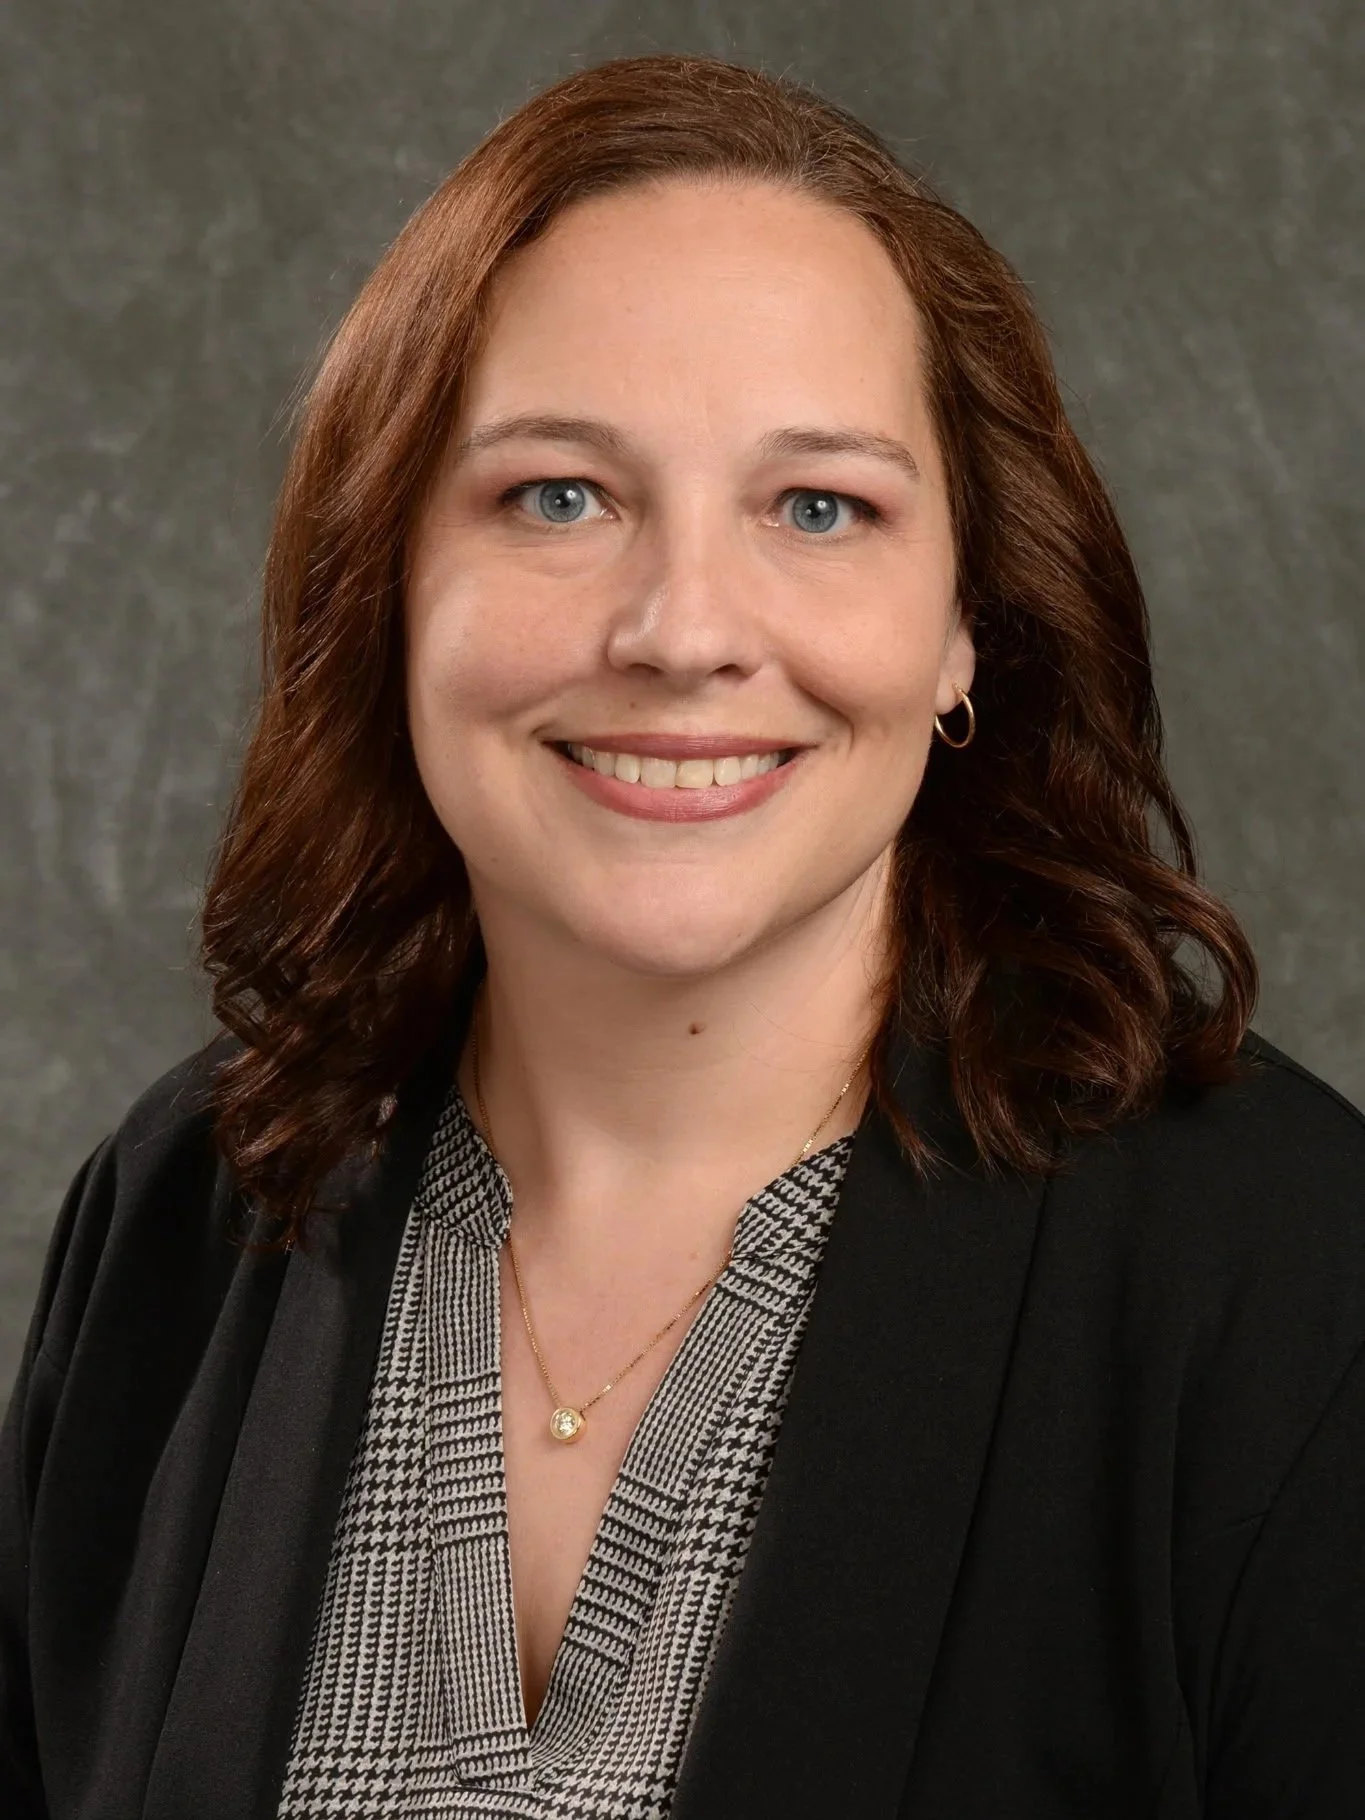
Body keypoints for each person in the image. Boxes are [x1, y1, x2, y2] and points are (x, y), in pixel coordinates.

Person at [2, 49, 1363, 1820]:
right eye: (557, 495)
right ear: (390, 585)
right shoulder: (177, 1219)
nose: (682, 630)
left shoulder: (1287, 1282)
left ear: (966, 627)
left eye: (821, 507)